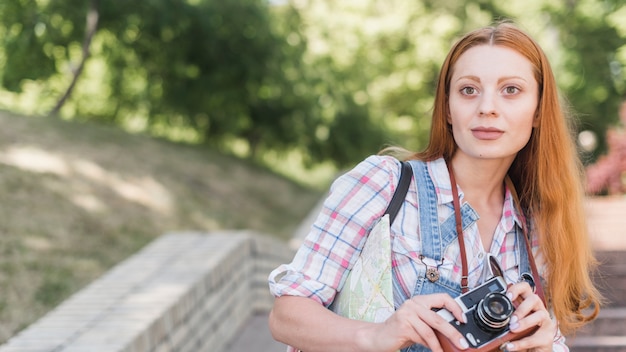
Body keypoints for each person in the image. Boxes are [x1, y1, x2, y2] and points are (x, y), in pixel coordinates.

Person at [268, 21, 601, 352]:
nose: (487, 107)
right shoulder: (383, 184)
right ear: (448, 109)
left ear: (539, 110)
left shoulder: (537, 225)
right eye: (468, 90)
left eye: (510, 90)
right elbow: (286, 316)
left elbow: (549, 336)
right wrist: (376, 335)